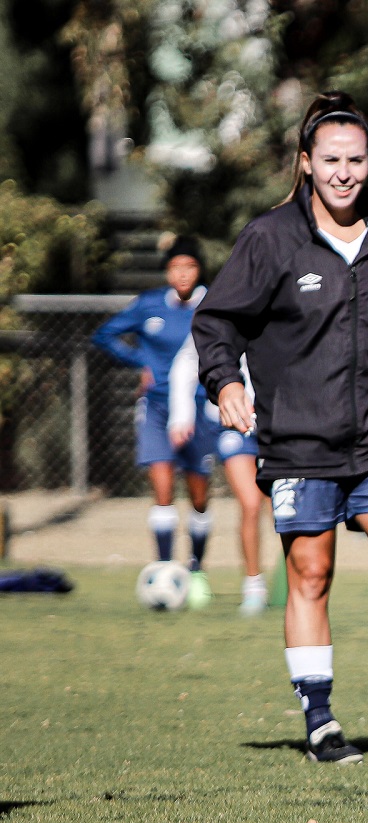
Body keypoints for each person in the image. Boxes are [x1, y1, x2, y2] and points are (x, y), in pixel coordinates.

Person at [191, 91, 368, 766]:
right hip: (299, 441)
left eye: (357, 160)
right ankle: (320, 721)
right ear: (307, 163)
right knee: (310, 575)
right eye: (331, 160)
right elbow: (217, 322)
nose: (344, 172)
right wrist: (225, 381)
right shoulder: (270, 238)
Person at [92, 236, 218, 606]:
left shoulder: (213, 304)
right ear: (167, 271)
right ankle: (164, 567)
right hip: (157, 408)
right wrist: (139, 364)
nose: (183, 273)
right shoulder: (149, 305)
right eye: (176, 267)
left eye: (190, 266)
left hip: (198, 409)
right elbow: (105, 335)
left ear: (198, 271)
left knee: (199, 497)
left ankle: (195, 570)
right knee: (162, 490)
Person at [169, 335, 267, 614]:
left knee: (281, 506)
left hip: (280, 420)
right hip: (236, 424)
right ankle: (253, 586)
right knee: (250, 502)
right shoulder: (226, 309)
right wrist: (181, 415)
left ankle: (295, 578)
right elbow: (186, 362)